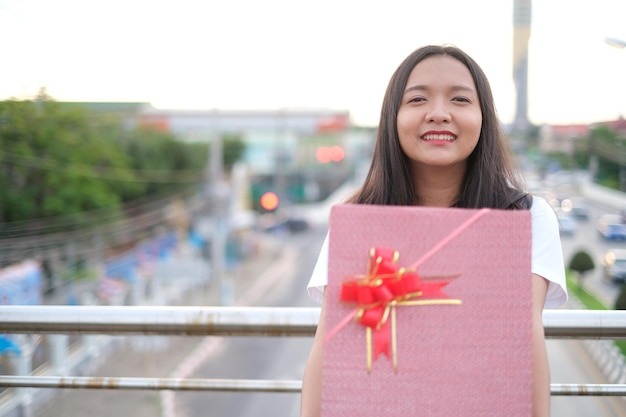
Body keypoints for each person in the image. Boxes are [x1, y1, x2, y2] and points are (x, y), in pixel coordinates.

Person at [300, 44, 568, 417]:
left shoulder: (527, 217)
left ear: (483, 117)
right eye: (418, 99)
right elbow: (328, 344)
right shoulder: (356, 217)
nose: (439, 114)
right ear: (392, 117)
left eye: (460, 99)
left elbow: (526, 339)